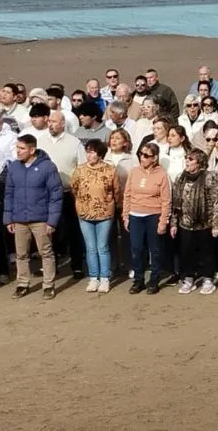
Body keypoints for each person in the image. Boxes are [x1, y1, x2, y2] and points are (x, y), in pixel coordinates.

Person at [4, 134, 63, 299]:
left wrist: (52, 221)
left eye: (22, 148)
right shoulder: (14, 167)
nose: (18, 151)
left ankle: (48, 285)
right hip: (19, 219)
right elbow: (8, 194)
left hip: (41, 219)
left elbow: (56, 195)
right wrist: (8, 218)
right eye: (17, 148)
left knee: (46, 252)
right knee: (21, 254)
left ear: (32, 149)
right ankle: (23, 284)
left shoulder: (47, 167)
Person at [169, 148, 218, 295]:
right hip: (185, 222)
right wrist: (174, 224)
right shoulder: (180, 178)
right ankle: (188, 278)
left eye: (191, 159)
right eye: (186, 158)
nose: (187, 161)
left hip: (204, 222)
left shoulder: (210, 177)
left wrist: (215, 224)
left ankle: (208, 279)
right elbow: (175, 203)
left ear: (199, 162)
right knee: (186, 252)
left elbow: (216, 202)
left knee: (207, 252)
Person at [39, 110, 86, 278]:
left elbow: (82, 168)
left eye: (54, 121)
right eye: (49, 121)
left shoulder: (74, 143)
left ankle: (77, 265)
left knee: (73, 231)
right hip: (46, 195)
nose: (50, 124)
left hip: (68, 194)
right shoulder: (40, 141)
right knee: (49, 231)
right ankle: (50, 265)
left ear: (63, 123)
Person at [70, 139, 119, 294]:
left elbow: (116, 190)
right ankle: (93, 278)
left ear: (99, 154)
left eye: (92, 151)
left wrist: (109, 203)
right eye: (88, 151)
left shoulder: (110, 170)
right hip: (85, 213)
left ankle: (104, 277)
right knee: (90, 247)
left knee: (102, 246)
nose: (89, 155)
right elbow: (74, 188)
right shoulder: (80, 170)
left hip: (104, 213)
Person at [123, 142, 171, 295]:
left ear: (154, 158)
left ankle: (154, 280)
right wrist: (126, 215)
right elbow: (127, 194)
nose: (142, 158)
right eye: (140, 154)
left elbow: (166, 200)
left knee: (155, 250)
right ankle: (138, 280)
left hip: (153, 215)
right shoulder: (134, 172)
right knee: (137, 250)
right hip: (135, 215)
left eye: (146, 155)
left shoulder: (162, 174)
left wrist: (163, 221)